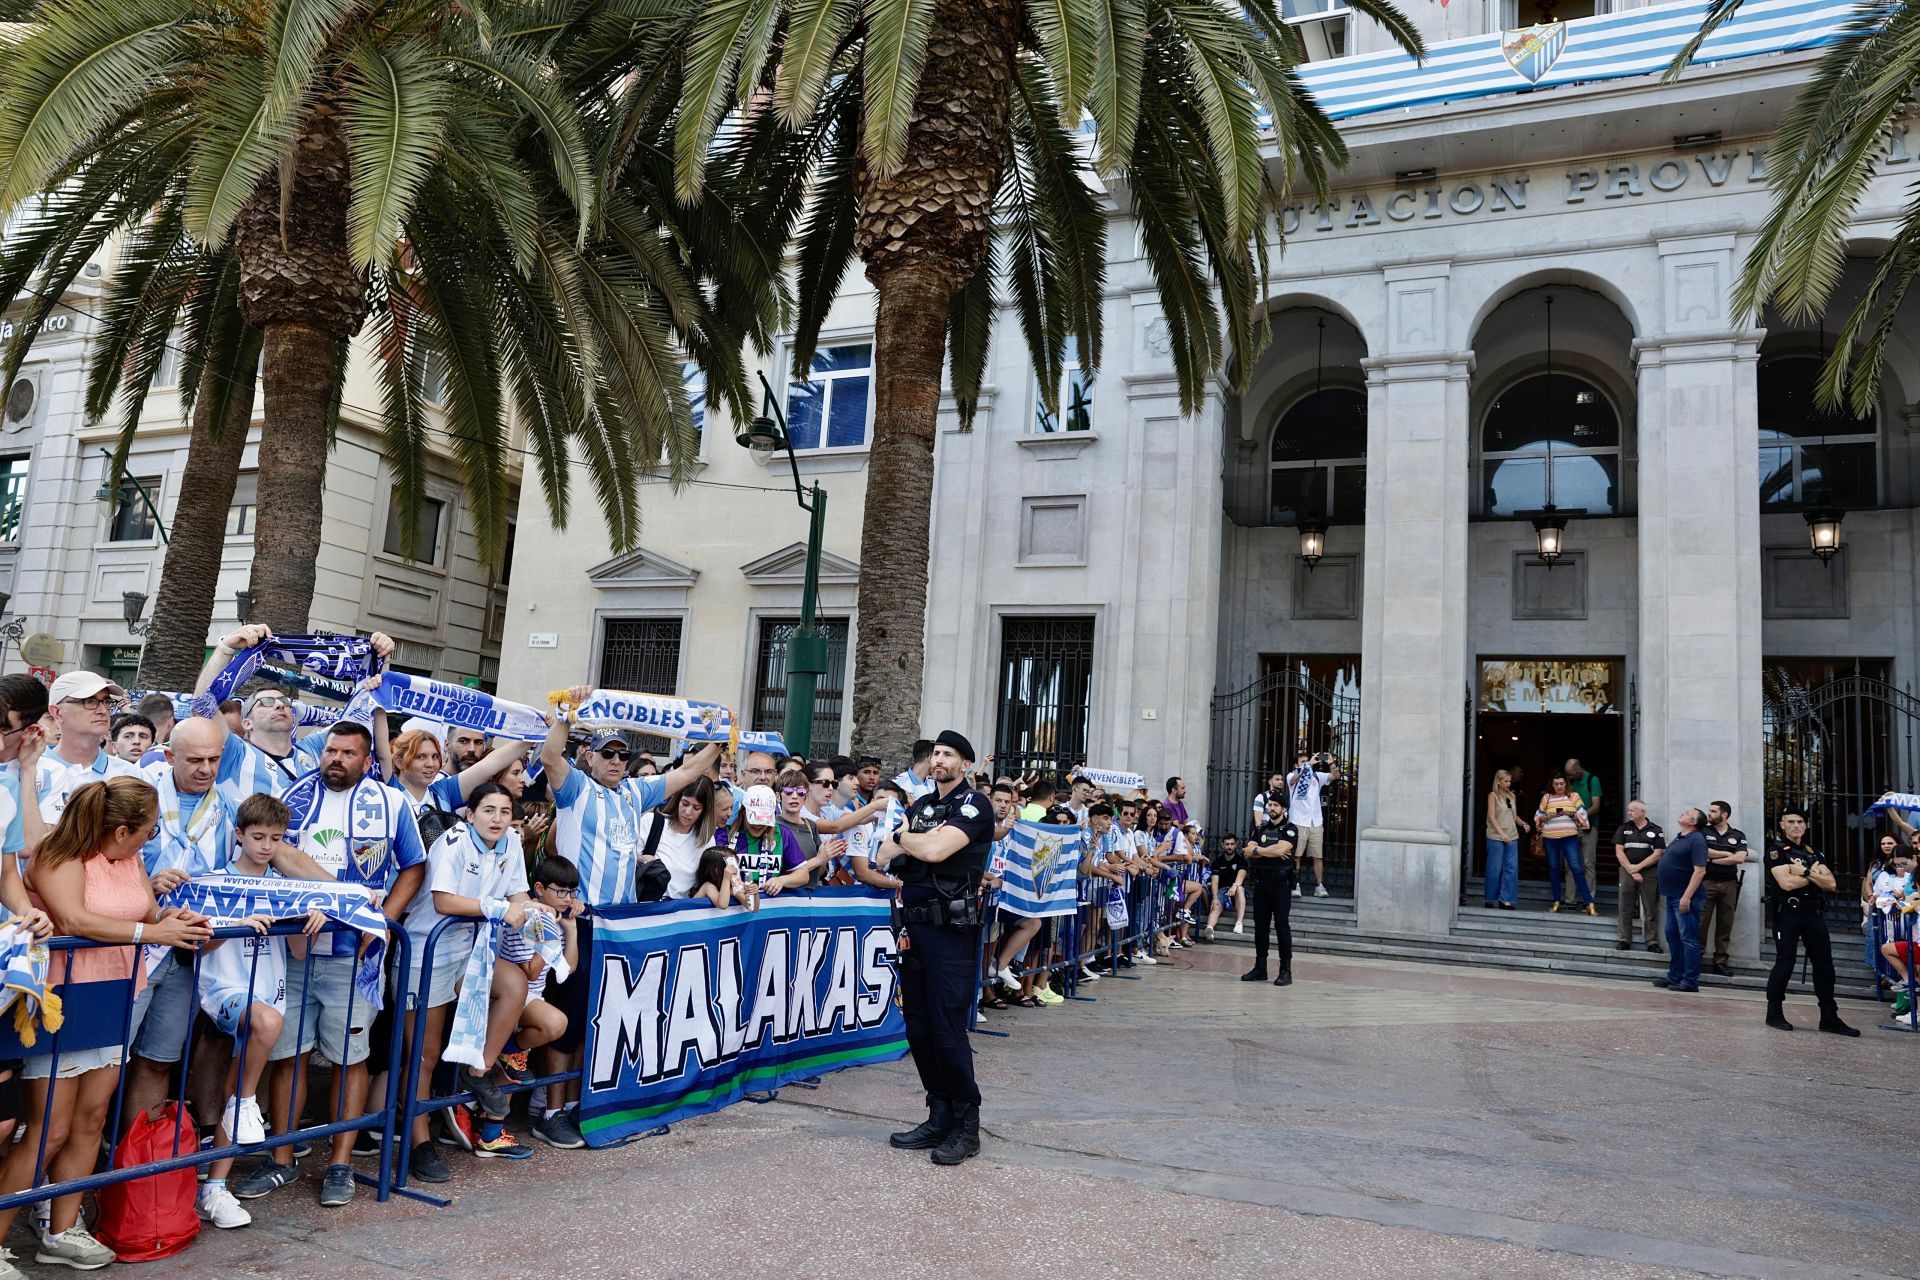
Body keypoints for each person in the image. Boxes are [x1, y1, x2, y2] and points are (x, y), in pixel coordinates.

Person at [0, 777, 212, 1275]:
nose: (150, 839)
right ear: (120, 831)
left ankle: (62, 1231)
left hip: (114, 994)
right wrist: (153, 931)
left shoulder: (130, 860)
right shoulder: (58, 855)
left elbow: (145, 910)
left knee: (91, 1121)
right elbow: (74, 920)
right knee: (49, 1130)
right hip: (62, 999)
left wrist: (170, 916)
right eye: (148, 831)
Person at [239, 721, 427, 1208]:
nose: (336, 759)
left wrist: (382, 921)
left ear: (367, 760)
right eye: (330, 750)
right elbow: (270, 853)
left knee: (350, 1058)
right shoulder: (293, 795)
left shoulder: (391, 802)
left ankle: (341, 1163)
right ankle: (282, 1158)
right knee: (288, 1055)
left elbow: (413, 866)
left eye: (347, 753)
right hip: (294, 951)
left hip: (353, 956)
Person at [194, 794, 327, 1231]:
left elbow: (299, 951)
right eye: (258, 837)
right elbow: (198, 946)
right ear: (239, 835)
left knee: (239, 1084)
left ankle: (215, 1188)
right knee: (247, 1084)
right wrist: (236, 923)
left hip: (271, 991)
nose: (267, 846)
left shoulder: (286, 886)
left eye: (275, 838)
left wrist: (310, 922)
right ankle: (247, 1103)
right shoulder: (217, 881)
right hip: (226, 990)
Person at [874, 731, 993, 1166]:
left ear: (965, 764)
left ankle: (966, 1124)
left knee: (946, 1026)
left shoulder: (973, 805)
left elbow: (938, 851)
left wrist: (910, 840)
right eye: (936, 753)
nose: (939, 760)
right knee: (918, 1026)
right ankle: (938, 1113)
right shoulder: (922, 806)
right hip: (915, 927)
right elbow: (882, 855)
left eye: (948, 754)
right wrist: (914, 839)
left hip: (951, 931)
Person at [1763, 809, 1857, 1035]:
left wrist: (1803, 872)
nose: (1796, 825)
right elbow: (1786, 884)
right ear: (1782, 825)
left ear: (1805, 826)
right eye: (1791, 822)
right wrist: (1814, 876)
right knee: (1785, 961)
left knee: (1824, 964)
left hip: (1813, 913)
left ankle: (1829, 1017)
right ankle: (1774, 1013)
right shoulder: (1777, 851)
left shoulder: (1813, 852)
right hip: (1788, 912)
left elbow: (1831, 884)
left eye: (1800, 822)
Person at [35, 671, 144, 823]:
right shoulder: (33, 771)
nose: (102, 710)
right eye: (89, 701)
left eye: (106, 701)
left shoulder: (129, 774)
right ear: (57, 712)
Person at [1652, 807, 1708, 993]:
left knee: (1688, 939)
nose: (1682, 813)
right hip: (1672, 896)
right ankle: (1675, 976)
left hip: (1685, 898)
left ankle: (1690, 981)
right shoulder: (1681, 837)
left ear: (1693, 822)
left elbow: (1700, 871)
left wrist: (1687, 896)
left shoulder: (1697, 840)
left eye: (1687, 813)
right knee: (1673, 936)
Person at [1242, 798, 1297, 985]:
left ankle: (1285, 971)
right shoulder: (1261, 829)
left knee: (1282, 925)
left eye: (1275, 805)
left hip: (1280, 885)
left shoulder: (1289, 829)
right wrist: (1269, 851)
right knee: (1260, 926)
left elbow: (1281, 850)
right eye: (1270, 805)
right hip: (1261, 883)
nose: (1272, 808)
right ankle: (1260, 967)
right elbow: (1248, 850)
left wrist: (1258, 851)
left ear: (1283, 808)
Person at [640, 776, 721, 900]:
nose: (688, 812)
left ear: (705, 811)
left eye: (696, 808)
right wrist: (644, 861)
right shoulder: (651, 822)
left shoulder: (707, 840)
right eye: (685, 803)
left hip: (681, 907)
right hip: (645, 905)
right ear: (677, 800)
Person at [1698, 801, 1750, 978]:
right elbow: (1702, 851)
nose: (1709, 814)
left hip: (1729, 884)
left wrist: (1713, 860)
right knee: (1701, 922)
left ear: (1724, 814)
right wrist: (1727, 854)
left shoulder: (1738, 835)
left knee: (1725, 923)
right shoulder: (1703, 831)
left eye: (1713, 811)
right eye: (1709, 810)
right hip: (1706, 882)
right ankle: (1695, 957)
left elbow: (1740, 858)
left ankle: (1720, 961)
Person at [1534, 774, 1594, 914]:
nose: (1559, 786)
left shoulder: (1574, 796)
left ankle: (1589, 903)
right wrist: (1548, 816)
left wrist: (1569, 813)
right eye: (1556, 784)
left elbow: (1583, 815)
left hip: (1569, 837)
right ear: (1552, 785)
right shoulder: (1547, 797)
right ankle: (1556, 901)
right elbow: (1538, 816)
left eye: (1561, 783)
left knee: (1576, 867)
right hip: (1550, 838)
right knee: (1554, 868)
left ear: (1566, 784)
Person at [1612, 800, 1665, 952]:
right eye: (1629, 810)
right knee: (1625, 906)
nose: (1629, 813)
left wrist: (1639, 867)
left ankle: (1652, 941)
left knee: (1650, 907)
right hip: (1627, 870)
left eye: (1632, 810)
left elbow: (1658, 854)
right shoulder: (1624, 828)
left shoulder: (1656, 830)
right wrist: (1633, 871)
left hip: (1649, 872)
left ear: (1642, 812)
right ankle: (1624, 939)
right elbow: (1619, 852)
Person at [1285, 751, 1338, 898]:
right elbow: (1293, 780)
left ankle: (1319, 886)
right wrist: (1307, 765)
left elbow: (1335, 776)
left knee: (1317, 856)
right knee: (1296, 856)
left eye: (1306, 760)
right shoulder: (1292, 775)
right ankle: (1295, 884)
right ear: (1296, 764)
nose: (1306, 763)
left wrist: (1332, 763)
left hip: (1315, 821)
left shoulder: (1317, 776)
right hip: (1298, 821)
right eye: (1302, 761)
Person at [1484, 769, 1526, 909]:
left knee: (1511, 869)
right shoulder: (1493, 796)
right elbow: (1491, 816)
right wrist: (1502, 834)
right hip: (1496, 837)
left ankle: (1505, 899)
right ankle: (1490, 898)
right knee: (1494, 868)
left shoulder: (1512, 796)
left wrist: (1523, 824)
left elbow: (1514, 816)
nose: (1509, 784)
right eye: (1506, 781)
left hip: (1512, 836)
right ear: (1498, 781)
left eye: (1510, 781)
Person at [1564, 758, 1602, 905]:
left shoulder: (1593, 780)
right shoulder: (1571, 782)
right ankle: (1570, 900)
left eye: (1571, 774)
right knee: (1570, 864)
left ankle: (1589, 899)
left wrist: (1580, 816)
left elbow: (1596, 806)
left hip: (1588, 827)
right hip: (1571, 827)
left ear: (1579, 770)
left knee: (1588, 863)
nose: (1569, 777)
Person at [1205, 832, 1247, 939]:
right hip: (1222, 889)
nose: (1229, 847)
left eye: (1232, 844)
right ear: (1222, 845)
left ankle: (1239, 923)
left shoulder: (1241, 861)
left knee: (1240, 889)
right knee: (1216, 905)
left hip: (1236, 889)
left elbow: (1241, 875)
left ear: (1236, 845)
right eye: (1227, 844)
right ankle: (1209, 928)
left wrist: (1235, 885)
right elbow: (1215, 881)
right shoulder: (1218, 862)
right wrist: (1215, 898)